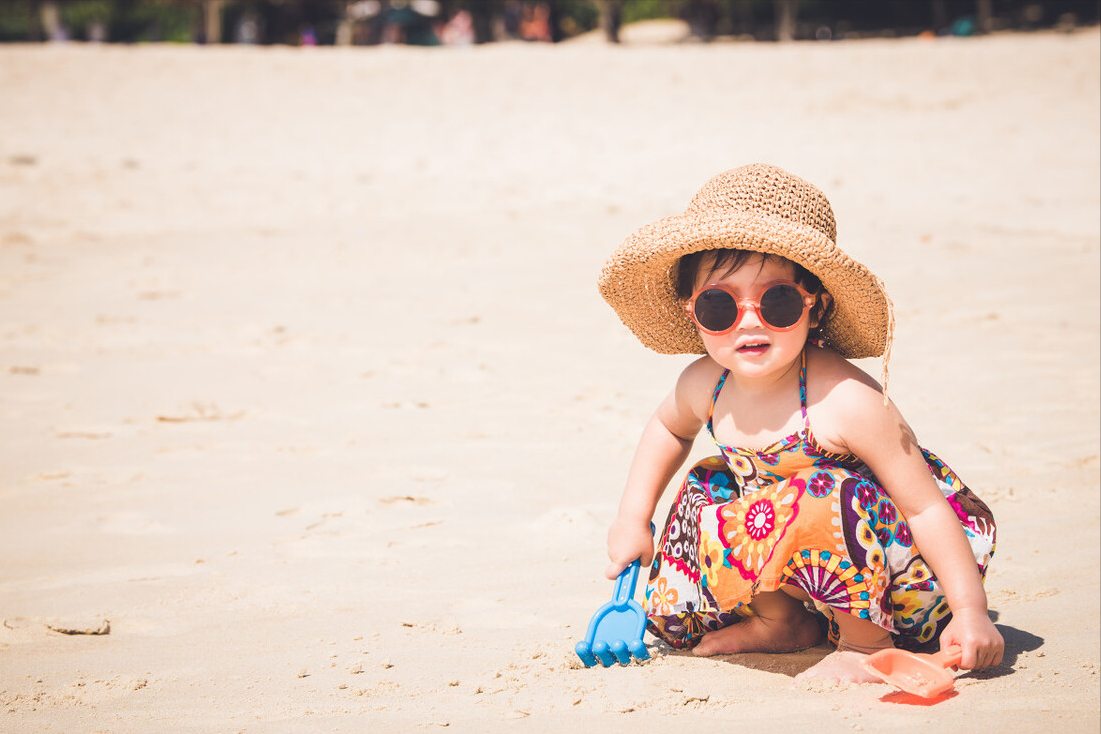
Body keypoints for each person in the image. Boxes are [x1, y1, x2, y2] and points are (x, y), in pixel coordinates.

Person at [597, 163, 1002, 681]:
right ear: (692, 310)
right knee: (707, 485)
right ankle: (782, 620)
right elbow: (669, 429)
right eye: (719, 305)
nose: (749, 320)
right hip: (808, 577)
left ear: (816, 307)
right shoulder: (706, 383)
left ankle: (865, 646)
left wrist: (969, 611)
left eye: (778, 301)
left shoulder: (845, 399)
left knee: (819, 493)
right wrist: (633, 519)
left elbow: (924, 508)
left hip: (900, 581)